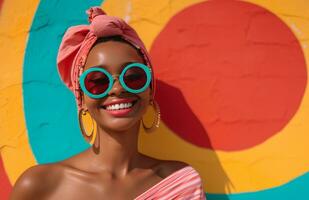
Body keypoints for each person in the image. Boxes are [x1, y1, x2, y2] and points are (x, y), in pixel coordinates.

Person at [10, 7, 206, 200]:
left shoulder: (180, 183)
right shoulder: (40, 186)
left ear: (149, 92)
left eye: (133, 76)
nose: (118, 88)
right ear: (82, 98)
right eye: (98, 81)